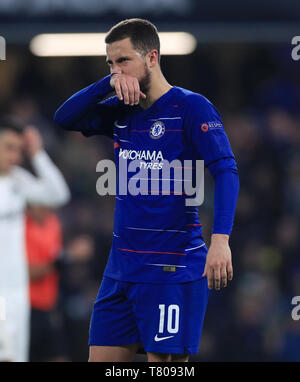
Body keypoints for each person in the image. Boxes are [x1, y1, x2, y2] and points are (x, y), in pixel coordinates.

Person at [54, 18, 239, 362]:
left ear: (152, 58)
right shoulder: (120, 111)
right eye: (110, 62)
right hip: (121, 269)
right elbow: (64, 118)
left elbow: (226, 170)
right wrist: (105, 84)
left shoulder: (191, 107)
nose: (116, 70)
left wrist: (221, 240)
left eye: (124, 61)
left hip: (171, 267)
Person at [0, 119, 70, 362]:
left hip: (18, 293)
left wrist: (37, 153)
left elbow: (58, 194)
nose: (16, 156)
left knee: (16, 356)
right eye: (9, 147)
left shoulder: (17, 180)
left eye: (19, 150)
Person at [26, 205, 67, 362]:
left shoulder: (53, 223)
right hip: (23, 306)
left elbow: (56, 257)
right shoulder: (19, 226)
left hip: (48, 305)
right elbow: (24, 272)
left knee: (58, 356)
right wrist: (55, 265)